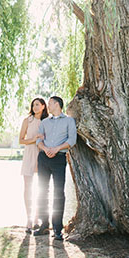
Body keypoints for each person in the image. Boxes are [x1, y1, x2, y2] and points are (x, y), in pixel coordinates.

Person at [33, 95, 77, 241]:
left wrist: (57, 148)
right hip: (44, 158)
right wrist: (45, 149)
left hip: (59, 159)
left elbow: (72, 140)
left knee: (58, 192)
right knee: (42, 191)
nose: (48, 106)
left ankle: (57, 228)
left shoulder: (69, 121)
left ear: (57, 104)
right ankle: (43, 224)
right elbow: (38, 140)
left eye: (50, 103)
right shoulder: (44, 122)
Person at [18, 97, 49, 233]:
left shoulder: (47, 122)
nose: (35, 107)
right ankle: (29, 219)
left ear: (43, 106)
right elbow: (21, 140)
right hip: (29, 155)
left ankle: (37, 218)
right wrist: (33, 139)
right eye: (33, 105)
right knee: (28, 188)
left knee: (41, 188)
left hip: (41, 155)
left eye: (37, 105)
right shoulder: (27, 120)